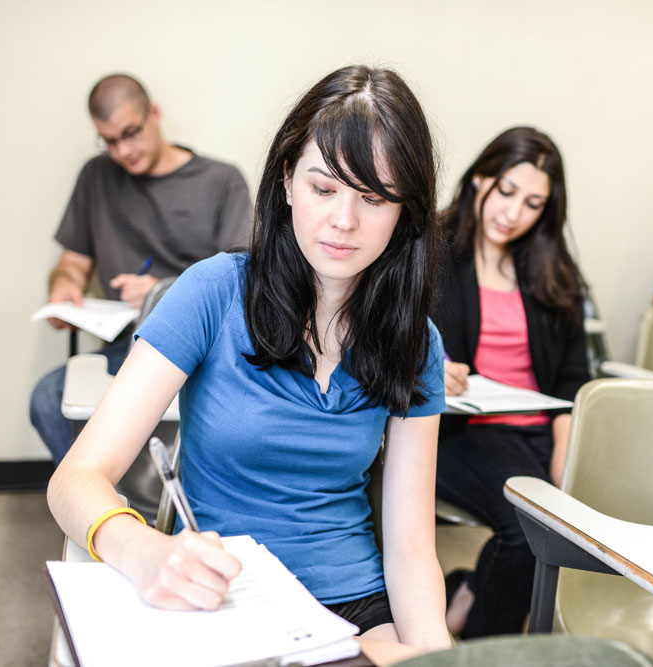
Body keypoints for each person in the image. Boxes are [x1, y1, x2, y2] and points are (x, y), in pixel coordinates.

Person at [46, 65, 451, 657]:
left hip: (357, 610)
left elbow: (412, 547)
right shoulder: (212, 292)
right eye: (323, 187)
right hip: (228, 601)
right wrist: (142, 550)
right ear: (286, 182)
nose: (344, 220)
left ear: (406, 211)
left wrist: (438, 654)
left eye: (373, 198)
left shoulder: (417, 342)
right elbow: (75, 480)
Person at [30, 73, 252, 463]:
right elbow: (72, 264)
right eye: (110, 140)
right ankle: (115, 506)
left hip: (202, 351)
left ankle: (160, 504)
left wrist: (160, 291)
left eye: (130, 133)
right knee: (49, 399)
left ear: (154, 113)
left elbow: (240, 283)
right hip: (127, 347)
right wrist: (65, 285)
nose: (123, 150)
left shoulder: (221, 180)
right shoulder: (96, 177)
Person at [433, 127, 590, 638]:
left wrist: (568, 446)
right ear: (479, 179)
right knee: (533, 528)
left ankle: (471, 592)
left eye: (533, 203)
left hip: (541, 429)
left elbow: (573, 377)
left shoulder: (551, 269)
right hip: (462, 432)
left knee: (590, 514)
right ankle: (486, 647)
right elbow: (390, 335)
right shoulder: (431, 250)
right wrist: (428, 362)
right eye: (506, 191)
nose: (513, 213)